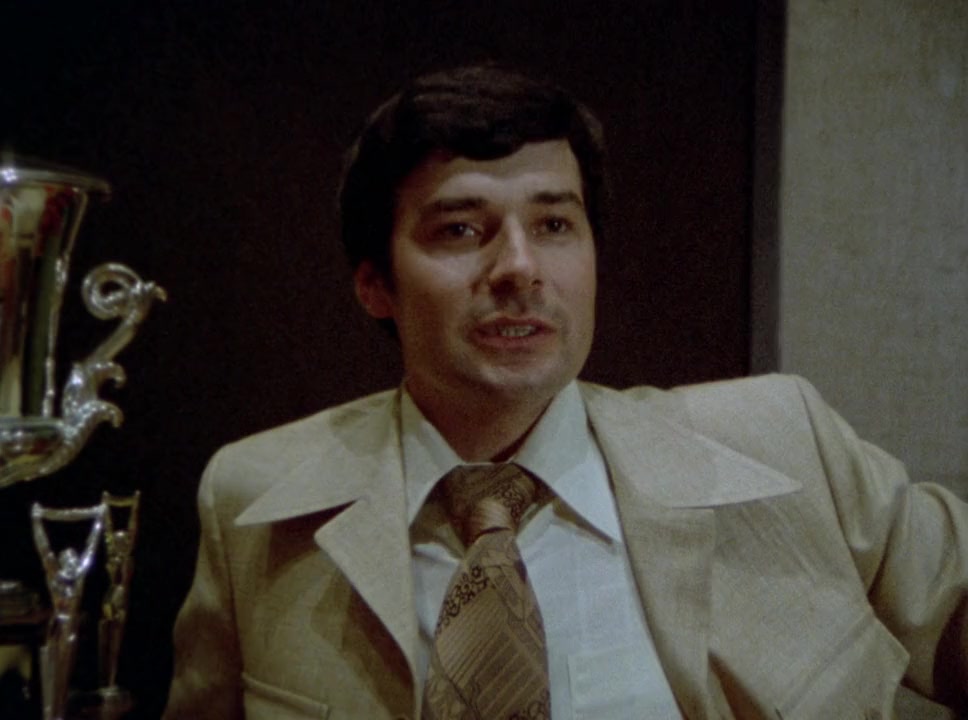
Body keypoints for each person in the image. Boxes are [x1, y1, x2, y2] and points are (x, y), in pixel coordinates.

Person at [163, 65, 968, 720]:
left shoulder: (781, 441)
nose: (519, 267)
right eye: (459, 229)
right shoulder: (253, 501)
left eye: (554, 225)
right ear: (375, 283)